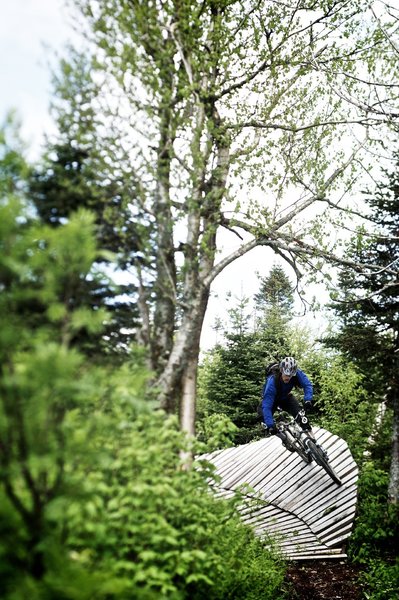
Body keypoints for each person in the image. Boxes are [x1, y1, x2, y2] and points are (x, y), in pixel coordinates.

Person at [262, 357, 314, 441]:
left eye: (290, 375)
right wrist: (270, 425)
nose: (287, 377)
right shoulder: (272, 382)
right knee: (265, 421)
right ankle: (284, 439)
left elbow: (307, 385)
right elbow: (267, 406)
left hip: (286, 397)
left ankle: (314, 441)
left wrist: (308, 400)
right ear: (281, 370)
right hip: (272, 400)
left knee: (301, 416)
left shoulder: (297, 373)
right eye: (286, 374)